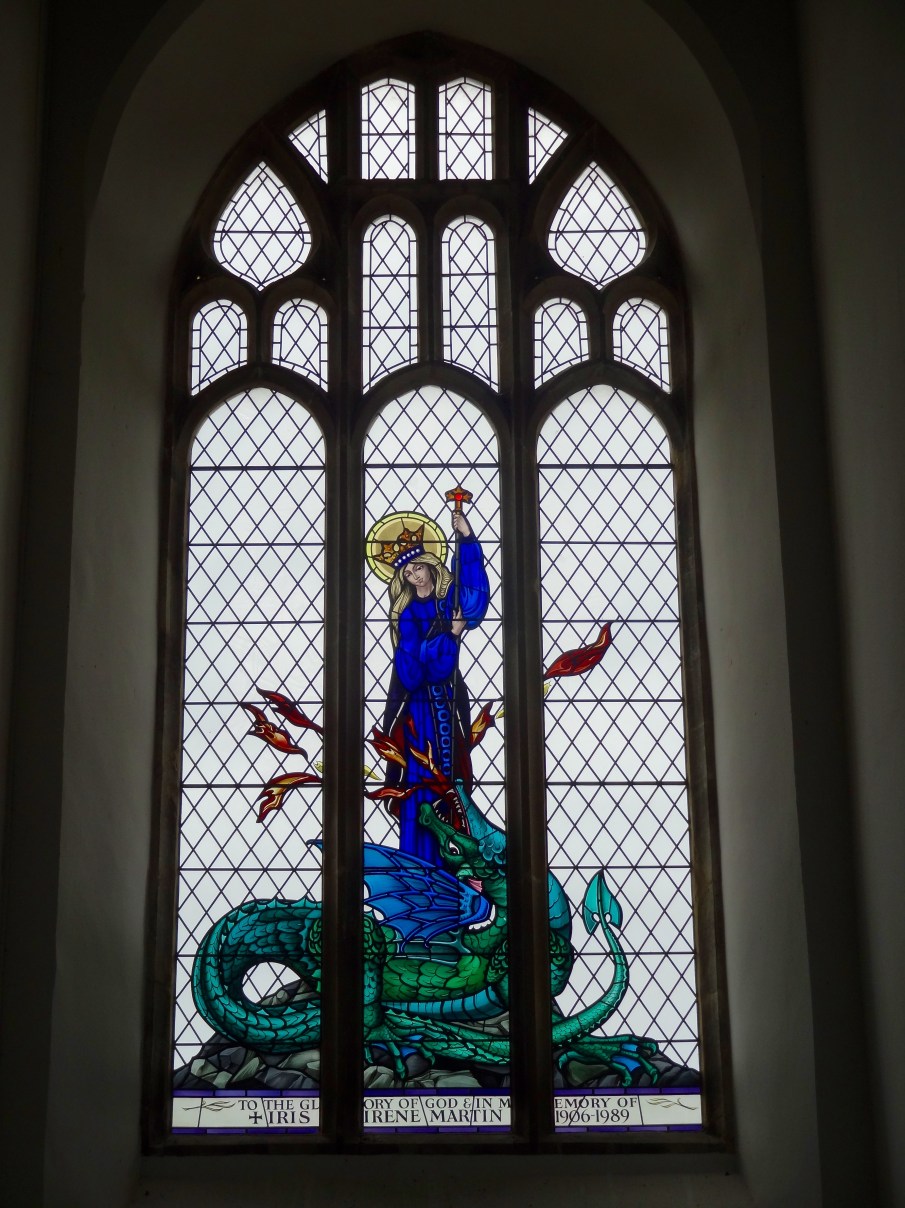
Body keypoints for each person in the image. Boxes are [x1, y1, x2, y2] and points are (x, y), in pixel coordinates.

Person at [379, 511, 490, 864]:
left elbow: (474, 600)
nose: (415, 576)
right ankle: (418, 865)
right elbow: (412, 670)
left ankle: (454, 870)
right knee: (420, 783)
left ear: (430, 566)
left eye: (419, 568)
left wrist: (467, 538)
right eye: (408, 573)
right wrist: (450, 636)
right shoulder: (407, 614)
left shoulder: (448, 599)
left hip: (450, 707)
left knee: (452, 781)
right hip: (418, 715)